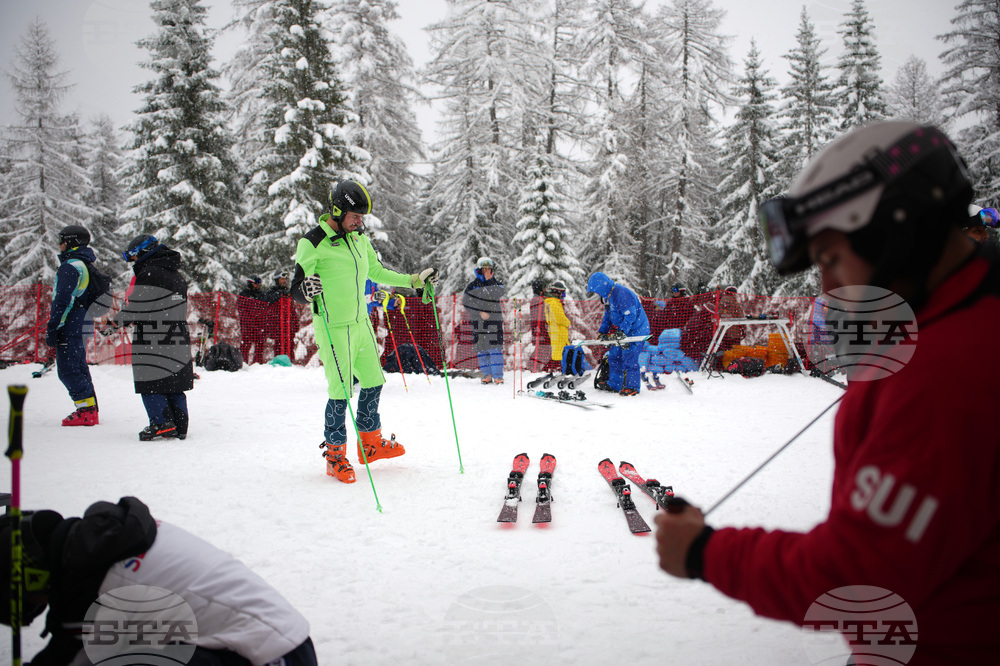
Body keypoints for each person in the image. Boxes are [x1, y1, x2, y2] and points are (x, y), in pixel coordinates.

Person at [655, 122, 1000, 664]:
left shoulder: (948, 373)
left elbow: (858, 579)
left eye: (832, 259)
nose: (828, 289)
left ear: (897, 232)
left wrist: (703, 551)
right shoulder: (956, 315)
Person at [0, 496, 316, 665]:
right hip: (272, 644)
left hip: (272, 654)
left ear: (30, 577)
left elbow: (71, 654)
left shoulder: (95, 577)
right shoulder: (101, 545)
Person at [289, 180, 436, 483]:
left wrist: (412, 281)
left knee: (373, 381)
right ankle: (335, 457)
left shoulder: (359, 239)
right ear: (337, 211)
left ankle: (370, 444)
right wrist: (305, 290)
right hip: (333, 327)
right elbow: (297, 289)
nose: (359, 222)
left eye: (361, 218)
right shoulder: (313, 241)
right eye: (355, 216)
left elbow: (376, 271)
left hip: (361, 324)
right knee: (340, 392)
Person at [112, 234, 194, 441]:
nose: (132, 262)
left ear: (142, 253)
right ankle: (179, 425)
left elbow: (139, 307)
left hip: (153, 334)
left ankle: (161, 423)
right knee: (174, 383)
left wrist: (115, 321)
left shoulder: (150, 273)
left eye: (132, 257)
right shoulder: (175, 274)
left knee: (151, 380)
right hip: (177, 332)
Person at [46, 225, 101, 426]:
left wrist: (54, 326)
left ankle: (86, 411)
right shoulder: (84, 264)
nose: (59, 244)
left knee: (68, 369)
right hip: (82, 321)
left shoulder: (70, 266)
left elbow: (63, 300)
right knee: (78, 366)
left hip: (70, 323)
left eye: (61, 239)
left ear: (71, 241)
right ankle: (90, 408)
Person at [585, 272, 650, 396]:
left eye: (597, 291)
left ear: (602, 286)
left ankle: (632, 387)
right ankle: (615, 384)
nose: (597, 294)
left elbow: (630, 315)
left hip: (637, 330)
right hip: (624, 330)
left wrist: (622, 331)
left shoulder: (622, 293)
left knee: (629, 357)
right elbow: (608, 316)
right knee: (614, 355)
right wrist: (602, 332)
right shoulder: (608, 297)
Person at [462, 257, 507, 384]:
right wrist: (479, 313)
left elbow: (497, 293)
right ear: (479, 270)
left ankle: (498, 376)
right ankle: (487, 375)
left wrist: (489, 281)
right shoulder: (472, 286)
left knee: (495, 349)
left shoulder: (496, 284)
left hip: (494, 323)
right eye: (484, 269)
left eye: (489, 269)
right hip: (478, 323)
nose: (486, 271)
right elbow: (466, 302)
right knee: (482, 350)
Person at [237, 275, 268, 364]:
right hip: (247, 325)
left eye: (260, 282)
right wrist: (248, 321)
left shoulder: (261, 294)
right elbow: (241, 309)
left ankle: (257, 364)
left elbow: (266, 306)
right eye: (257, 282)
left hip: (259, 325)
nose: (259, 284)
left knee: (259, 346)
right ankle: (243, 363)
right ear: (251, 283)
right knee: (245, 345)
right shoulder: (244, 294)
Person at [543, 280, 571, 372]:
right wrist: (568, 323)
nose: (563, 296)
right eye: (563, 293)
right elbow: (559, 318)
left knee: (558, 351)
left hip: (557, 330)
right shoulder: (553, 302)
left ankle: (555, 368)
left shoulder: (552, 302)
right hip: (558, 331)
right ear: (558, 292)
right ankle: (557, 368)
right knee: (559, 351)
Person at [528, 277, 550, 371]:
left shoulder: (538, 299)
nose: (545, 290)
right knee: (543, 349)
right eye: (544, 288)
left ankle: (537, 367)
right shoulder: (537, 300)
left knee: (543, 349)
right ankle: (533, 367)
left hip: (540, 329)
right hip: (540, 330)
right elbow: (541, 316)